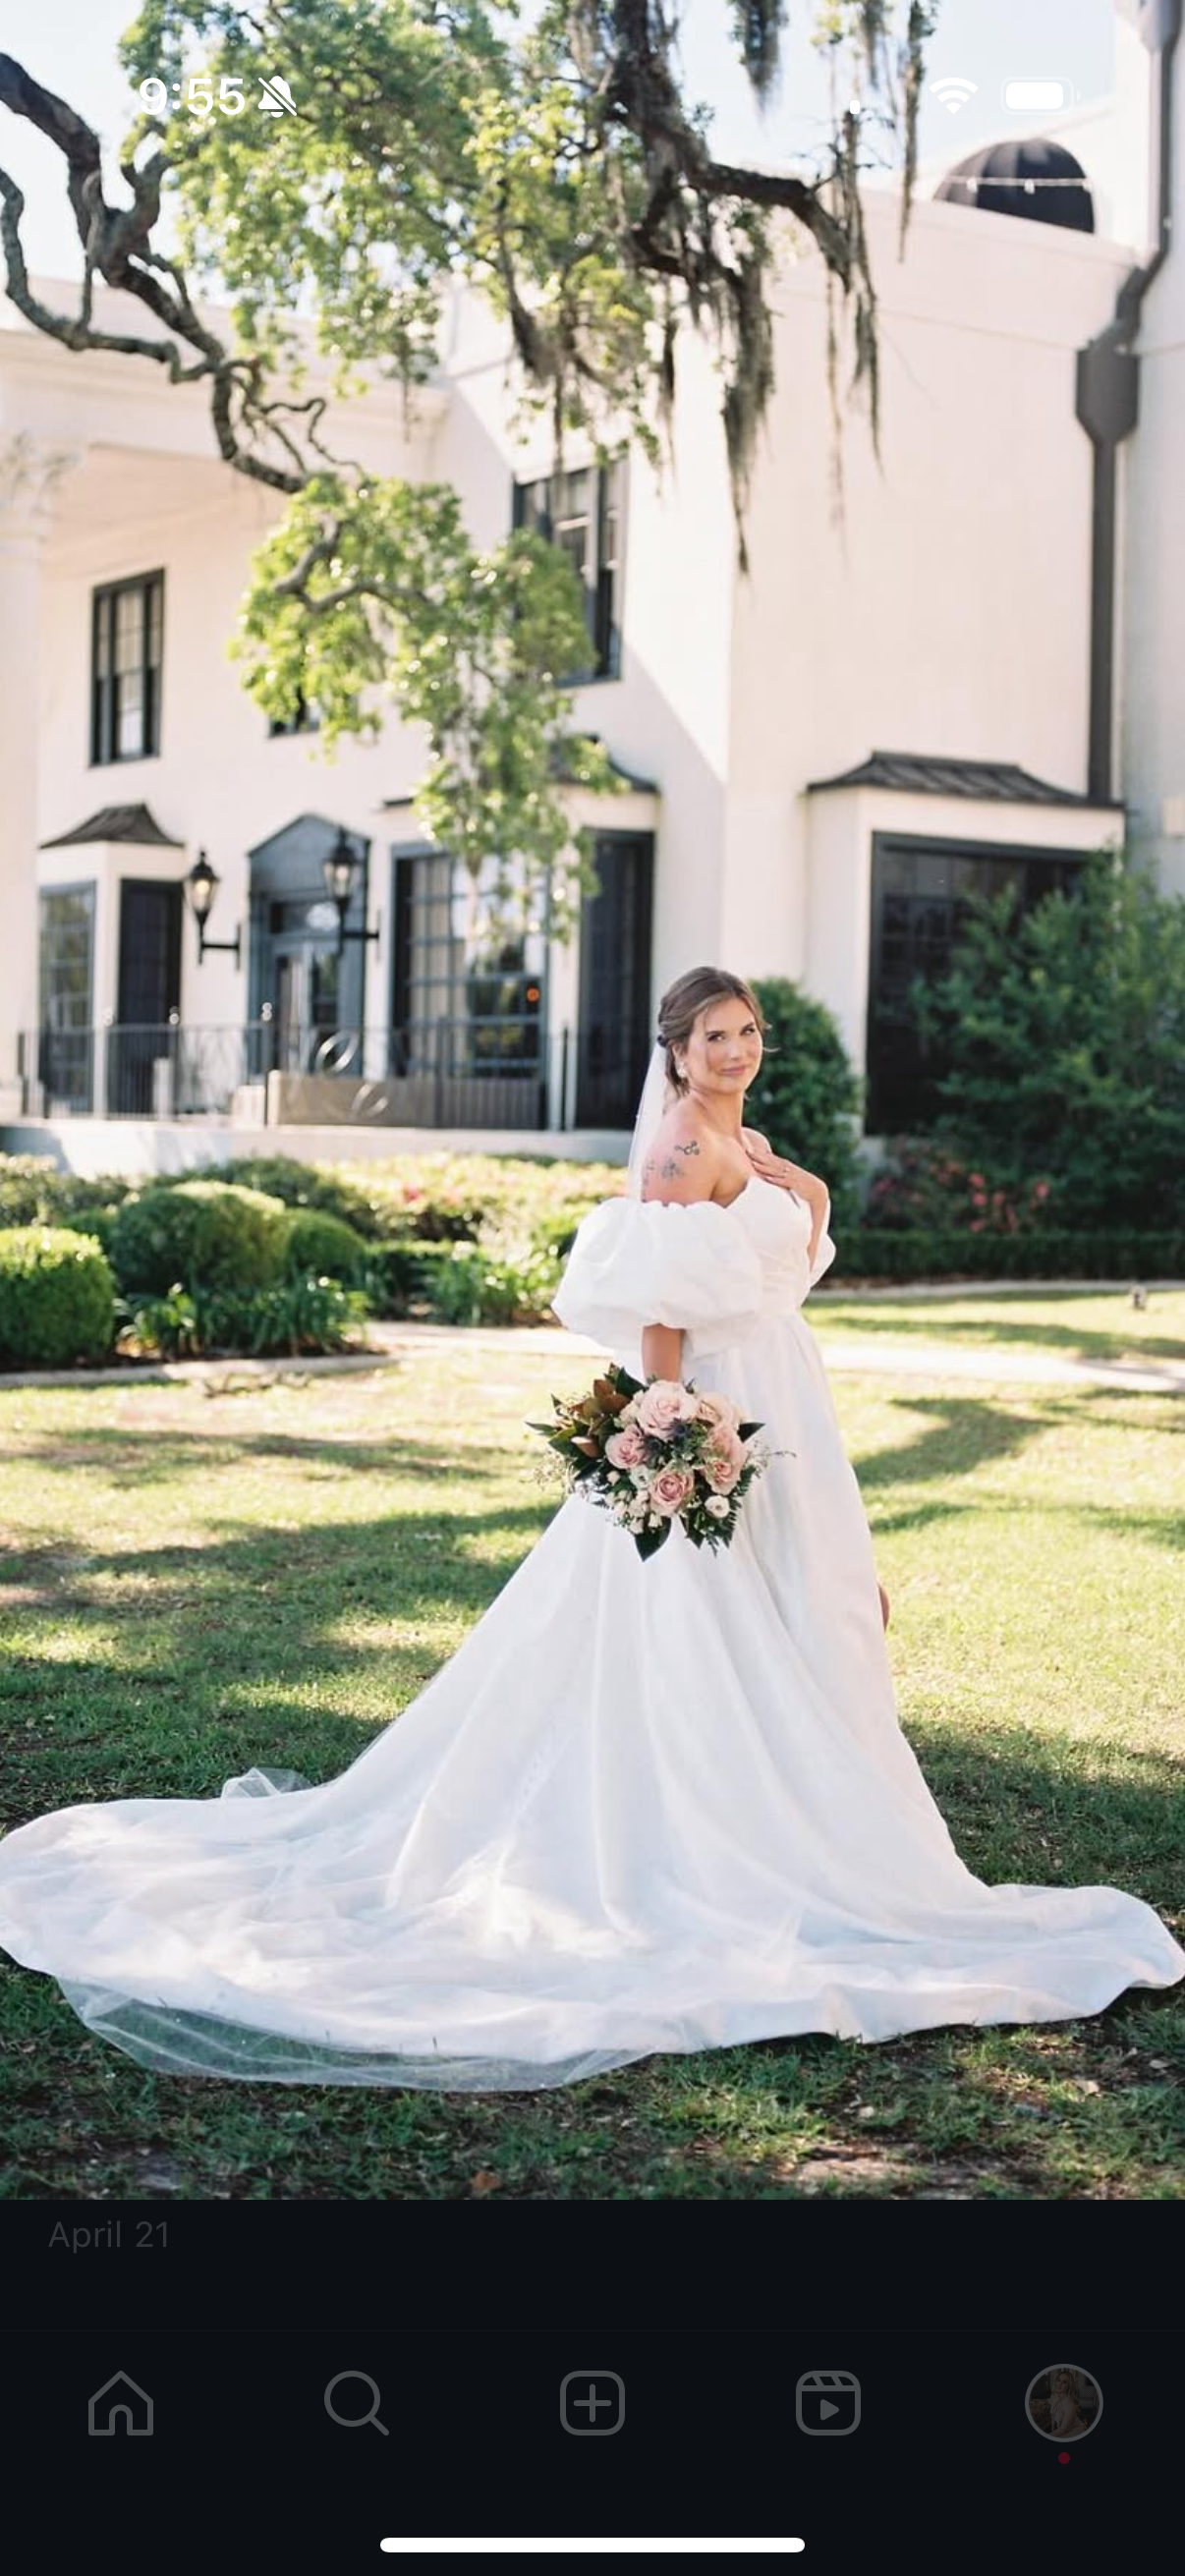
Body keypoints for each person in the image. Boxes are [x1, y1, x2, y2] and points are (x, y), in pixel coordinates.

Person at [0, 966, 1180, 2093]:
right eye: (714, 1034)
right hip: (724, 1407)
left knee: (815, 1606)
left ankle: (819, 1816)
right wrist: (672, 1428)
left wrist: (785, 1187)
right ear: (674, 1051)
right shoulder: (679, 1146)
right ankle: (716, 1831)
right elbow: (661, 1305)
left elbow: (780, 1245)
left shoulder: (741, 1141)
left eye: (750, 1029)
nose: (737, 1048)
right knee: (705, 1626)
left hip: (788, 1404)